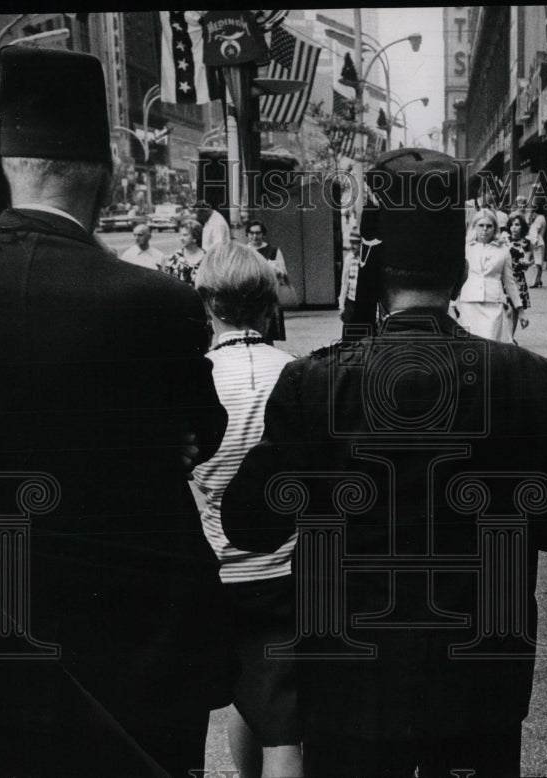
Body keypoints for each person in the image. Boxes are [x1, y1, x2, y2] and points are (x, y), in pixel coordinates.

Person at [0, 47, 234, 778]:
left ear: (3, 165)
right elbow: (200, 432)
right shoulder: (155, 303)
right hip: (139, 636)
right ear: (106, 171)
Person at [220, 148, 547, 778]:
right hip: (481, 678)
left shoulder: (315, 383)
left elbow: (251, 522)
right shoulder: (526, 378)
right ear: (456, 267)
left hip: (350, 679)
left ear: (376, 264)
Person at [191, 242, 302, 778]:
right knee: (284, 724)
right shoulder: (297, 373)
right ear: (267, 304)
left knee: (245, 696)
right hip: (287, 570)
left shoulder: (197, 377)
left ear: (208, 305)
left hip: (217, 570)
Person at [457, 208, 523, 343]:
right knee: (470, 344)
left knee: (491, 342)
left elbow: (510, 282)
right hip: (469, 303)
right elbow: (457, 277)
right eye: (481, 225)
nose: (485, 229)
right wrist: (452, 304)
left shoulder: (503, 251)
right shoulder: (465, 249)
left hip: (494, 303)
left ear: (495, 228)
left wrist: (520, 309)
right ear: (474, 227)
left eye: (489, 226)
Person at [245, 219, 290, 342]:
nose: (255, 236)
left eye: (258, 233)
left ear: (263, 234)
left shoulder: (273, 250)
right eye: (252, 233)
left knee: (267, 334)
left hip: (267, 296)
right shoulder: (244, 251)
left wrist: (275, 269)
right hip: (249, 297)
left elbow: (283, 272)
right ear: (247, 234)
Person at [505, 212, 533, 339]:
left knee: (514, 309)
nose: (514, 228)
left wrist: (526, 262)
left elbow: (528, 258)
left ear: (522, 227)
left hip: (518, 278)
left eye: (517, 225)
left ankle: (511, 337)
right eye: (511, 225)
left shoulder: (526, 242)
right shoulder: (504, 239)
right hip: (504, 277)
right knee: (507, 309)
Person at [163, 218, 206, 284]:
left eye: (185, 235)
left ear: (195, 237)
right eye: (181, 235)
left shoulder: (206, 258)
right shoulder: (176, 257)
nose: (181, 238)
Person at [338, 228, 362, 324]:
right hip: (350, 300)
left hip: (362, 301)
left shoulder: (364, 259)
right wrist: (341, 305)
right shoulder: (349, 259)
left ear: (361, 244)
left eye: (355, 243)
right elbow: (344, 283)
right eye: (351, 243)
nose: (352, 246)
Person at [526, 200, 547, 288]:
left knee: (537, 263)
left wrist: (533, 241)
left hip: (537, 242)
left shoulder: (539, 219)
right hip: (539, 241)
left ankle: (535, 281)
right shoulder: (541, 218)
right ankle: (538, 280)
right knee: (538, 262)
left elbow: (535, 230)